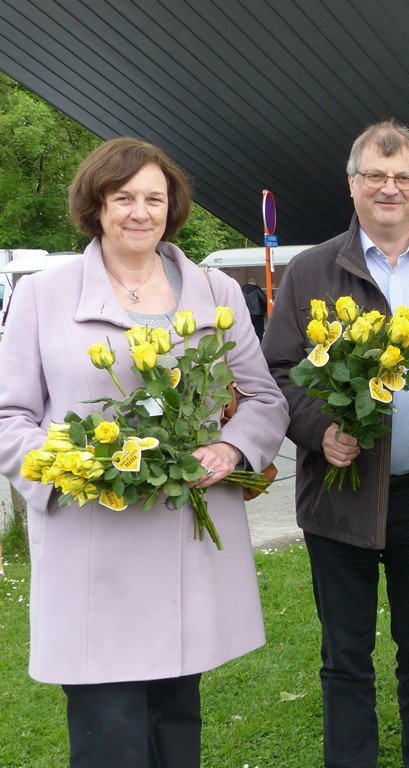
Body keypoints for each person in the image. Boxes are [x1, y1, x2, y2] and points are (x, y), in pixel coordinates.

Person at [0, 137, 288, 767]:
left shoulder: (215, 292)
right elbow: (10, 418)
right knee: (109, 735)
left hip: (183, 542)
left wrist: (231, 448)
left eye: (154, 198)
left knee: (175, 726)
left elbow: (265, 398)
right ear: (95, 206)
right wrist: (67, 469)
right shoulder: (42, 296)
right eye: (123, 196)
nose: (140, 211)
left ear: (172, 207)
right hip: (91, 548)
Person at [262, 119, 409, 768]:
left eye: (403, 178)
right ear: (353, 184)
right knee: (345, 659)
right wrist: (317, 429)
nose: (389, 188)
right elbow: (277, 372)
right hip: (339, 496)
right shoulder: (311, 270)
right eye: (375, 176)